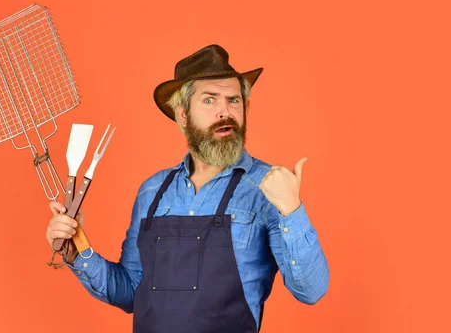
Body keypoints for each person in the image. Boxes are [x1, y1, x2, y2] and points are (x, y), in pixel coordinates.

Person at [46, 44, 329, 332]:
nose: (225, 111)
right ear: (183, 115)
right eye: (209, 100)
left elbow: (311, 290)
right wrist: (77, 250)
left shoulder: (268, 187)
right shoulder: (152, 192)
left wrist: (292, 210)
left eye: (233, 100)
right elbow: (131, 291)